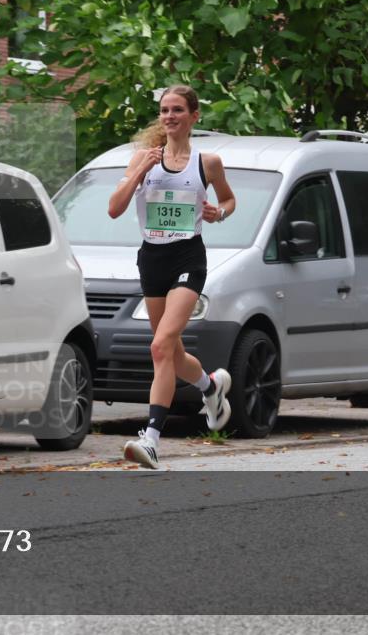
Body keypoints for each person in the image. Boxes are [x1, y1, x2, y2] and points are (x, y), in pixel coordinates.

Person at [107, 84, 236, 469]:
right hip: (152, 260)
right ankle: (211, 387)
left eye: (177, 110)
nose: (169, 116)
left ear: (194, 116)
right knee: (173, 354)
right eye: (164, 110)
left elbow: (229, 199)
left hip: (187, 257)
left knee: (160, 346)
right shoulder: (143, 159)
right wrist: (139, 172)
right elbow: (114, 209)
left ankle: (151, 439)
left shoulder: (207, 163)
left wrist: (219, 213)